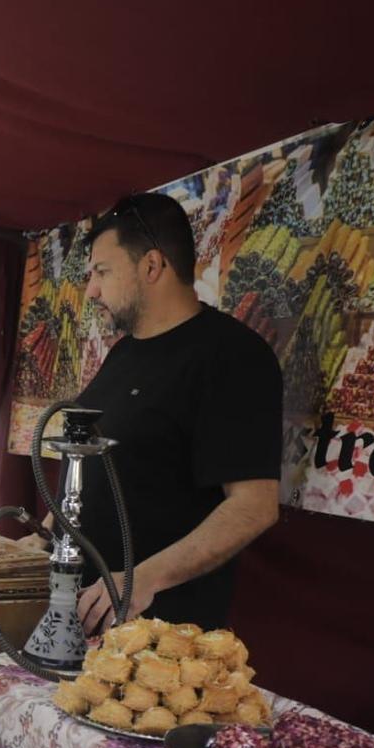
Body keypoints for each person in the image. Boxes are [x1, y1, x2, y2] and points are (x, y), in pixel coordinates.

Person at [71, 193, 282, 632]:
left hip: (160, 635)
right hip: (81, 613)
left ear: (152, 266)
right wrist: (41, 536)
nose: (91, 289)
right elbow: (94, 464)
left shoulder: (232, 356)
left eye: (102, 272)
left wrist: (141, 579)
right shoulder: (123, 352)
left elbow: (254, 507)